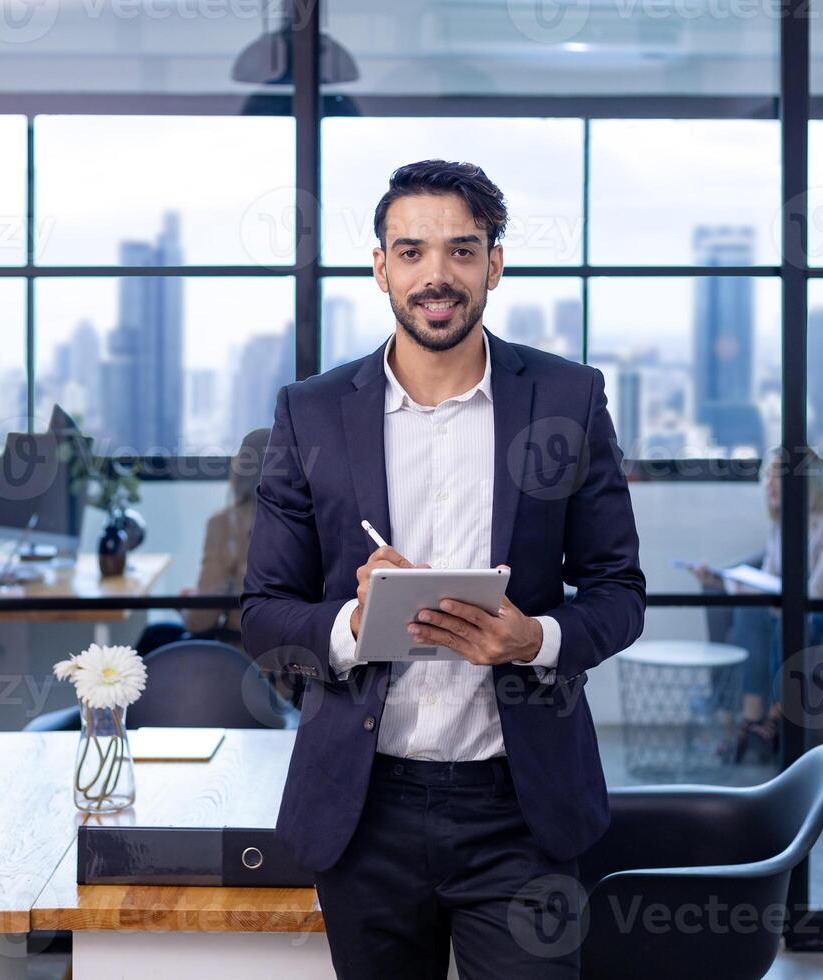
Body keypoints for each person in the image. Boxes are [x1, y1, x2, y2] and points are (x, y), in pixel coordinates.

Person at [241, 160, 646, 978]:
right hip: (366, 808)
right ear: (381, 265)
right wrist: (355, 625)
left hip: (521, 809)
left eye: (462, 251)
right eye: (413, 251)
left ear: (494, 263)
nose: (437, 275)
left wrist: (534, 638)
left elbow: (620, 593)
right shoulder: (310, 410)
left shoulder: (566, 399)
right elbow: (262, 614)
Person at [690, 445, 823, 761]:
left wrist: (763, 595)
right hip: (803, 607)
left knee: (788, 618)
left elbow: (816, 596)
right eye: (767, 476)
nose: (768, 484)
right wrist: (723, 580)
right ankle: (752, 719)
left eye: (777, 476)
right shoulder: (782, 524)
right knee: (752, 613)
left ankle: (778, 718)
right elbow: (770, 579)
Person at [134, 427, 271, 657]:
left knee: (152, 638)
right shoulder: (312, 523)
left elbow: (201, 621)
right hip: (294, 672)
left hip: (241, 662)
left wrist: (186, 603)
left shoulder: (227, 523)